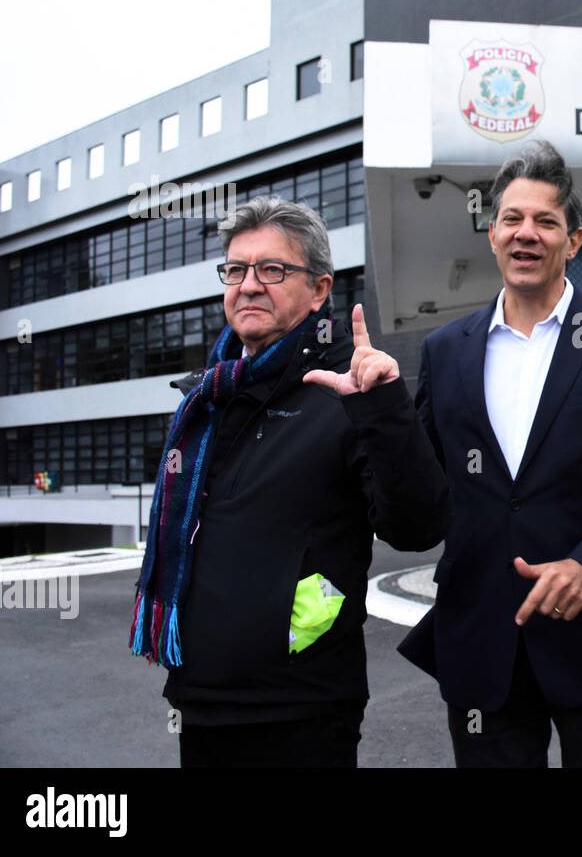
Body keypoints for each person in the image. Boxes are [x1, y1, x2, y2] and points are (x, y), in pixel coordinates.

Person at [130, 195, 451, 767]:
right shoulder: (205, 398)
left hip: (303, 704)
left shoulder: (346, 390)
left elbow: (418, 526)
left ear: (320, 290)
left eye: (273, 270)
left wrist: (384, 408)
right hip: (200, 696)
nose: (249, 285)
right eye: (236, 269)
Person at [398, 140, 582, 768]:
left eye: (546, 221)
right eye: (512, 220)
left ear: (573, 241)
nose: (528, 234)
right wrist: (378, 411)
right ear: (491, 234)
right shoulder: (445, 350)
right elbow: (427, 491)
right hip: (482, 647)